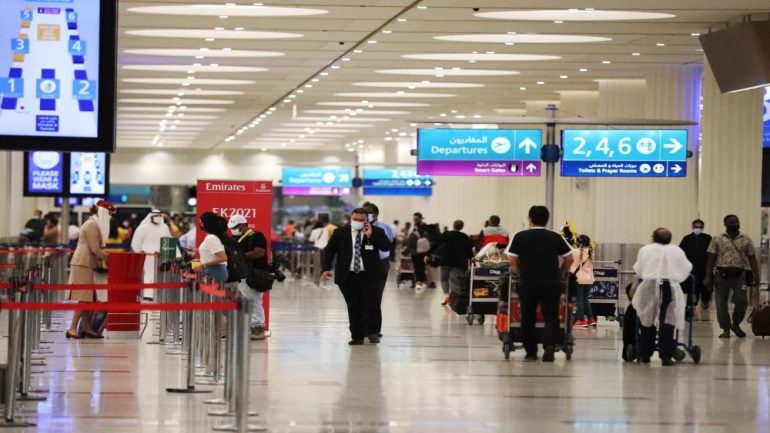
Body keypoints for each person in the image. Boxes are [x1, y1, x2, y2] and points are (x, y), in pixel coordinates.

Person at [506, 206, 574, 362]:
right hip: (551, 282)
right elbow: (569, 259)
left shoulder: (519, 236)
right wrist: (561, 273)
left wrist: (519, 274)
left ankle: (531, 352)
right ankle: (549, 345)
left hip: (528, 282)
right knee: (551, 316)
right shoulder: (555, 237)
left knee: (527, 317)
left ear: (530, 219)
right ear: (547, 219)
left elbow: (512, 261)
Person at [321, 208, 391, 345]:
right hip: (348, 276)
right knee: (353, 306)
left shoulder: (377, 231)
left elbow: (386, 247)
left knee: (372, 304)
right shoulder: (340, 233)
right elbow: (329, 250)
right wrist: (326, 268)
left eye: (361, 220)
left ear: (367, 220)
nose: (358, 222)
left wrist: (371, 236)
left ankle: (373, 332)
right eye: (355, 219)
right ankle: (357, 336)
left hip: (369, 276)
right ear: (351, 219)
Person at [631, 228, 693, 366]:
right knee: (667, 321)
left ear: (654, 237)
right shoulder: (677, 251)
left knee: (647, 319)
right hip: (669, 287)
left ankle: (645, 354)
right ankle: (666, 356)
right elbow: (687, 268)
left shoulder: (645, 250)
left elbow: (639, 270)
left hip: (649, 286)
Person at [66, 200, 115, 340]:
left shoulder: (94, 223)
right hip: (83, 264)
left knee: (89, 298)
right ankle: (72, 328)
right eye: (109, 213)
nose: (110, 216)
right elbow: (95, 249)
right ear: (103, 212)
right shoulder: (92, 225)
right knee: (84, 298)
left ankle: (86, 328)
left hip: (85, 264)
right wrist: (110, 259)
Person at [704, 214, 759, 339]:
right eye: (731, 222)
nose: (734, 224)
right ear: (725, 224)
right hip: (721, 275)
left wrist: (757, 275)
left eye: (736, 222)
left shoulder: (746, 239)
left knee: (742, 302)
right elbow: (711, 260)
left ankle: (736, 324)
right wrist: (707, 277)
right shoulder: (717, 239)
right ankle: (725, 329)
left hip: (740, 276)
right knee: (721, 304)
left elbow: (752, 258)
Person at [229, 214, 269, 340]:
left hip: (254, 274)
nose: (233, 230)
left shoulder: (257, 236)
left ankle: (258, 328)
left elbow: (259, 252)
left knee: (253, 300)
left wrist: (240, 257)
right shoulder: (235, 238)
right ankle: (249, 327)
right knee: (245, 300)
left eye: (235, 227)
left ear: (243, 225)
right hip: (240, 274)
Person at [362, 201, 395, 335]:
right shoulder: (358, 227)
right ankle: (363, 327)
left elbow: (389, 243)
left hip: (381, 262)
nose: (365, 215)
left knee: (376, 295)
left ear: (375, 214)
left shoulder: (385, 227)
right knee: (362, 296)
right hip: (363, 263)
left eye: (368, 213)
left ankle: (374, 328)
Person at [131, 210, 174, 300]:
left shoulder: (164, 227)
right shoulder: (144, 227)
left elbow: (169, 240)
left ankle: (156, 294)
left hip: (160, 255)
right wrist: (139, 252)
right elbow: (136, 243)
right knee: (150, 274)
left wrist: (170, 255)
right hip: (149, 255)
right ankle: (149, 294)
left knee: (159, 275)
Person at [431, 220, 474, 306]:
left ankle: (446, 295)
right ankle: (455, 299)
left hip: (445, 260)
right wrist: (472, 258)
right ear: (462, 227)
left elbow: (436, 244)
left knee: (444, 279)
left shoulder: (446, 234)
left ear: (453, 225)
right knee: (455, 280)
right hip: (458, 262)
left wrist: (428, 254)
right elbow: (469, 250)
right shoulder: (464, 237)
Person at [679, 219, 713, 309]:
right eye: (696, 227)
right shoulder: (687, 238)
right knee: (693, 287)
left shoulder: (708, 238)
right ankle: (693, 303)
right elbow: (680, 251)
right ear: (692, 227)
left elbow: (712, 252)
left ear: (703, 228)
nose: (698, 228)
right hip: (691, 268)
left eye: (700, 227)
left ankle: (705, 300)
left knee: (706, 288)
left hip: (705, 268)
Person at [193, 212, 229, 283]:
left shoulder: (211, 238)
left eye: (201, 222)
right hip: (214, 270)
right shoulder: (212, 237)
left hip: (215, 271)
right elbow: (212, 255)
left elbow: (223, 258)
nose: (200, 224)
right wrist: (201, 260)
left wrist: (203, 265)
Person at [571, 234, 596, 328]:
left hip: (579, 278)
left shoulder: (575, 251)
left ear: (579, 242)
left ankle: (581, 320)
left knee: (579, 300)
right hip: (589, 278)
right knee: (585, 299)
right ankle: (591, 319)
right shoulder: (591, 252)